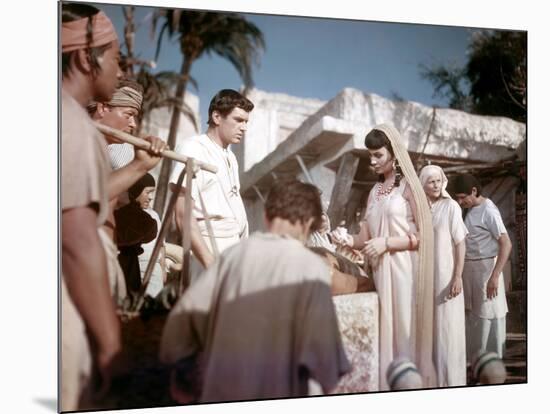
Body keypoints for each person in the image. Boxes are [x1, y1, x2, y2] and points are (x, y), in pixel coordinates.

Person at [159, 179, 350, 403]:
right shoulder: (311, 268)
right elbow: (326, 362)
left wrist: (184, 378)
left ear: (266, 216)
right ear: (308, 222)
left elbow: (181, 323)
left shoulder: (232, 257)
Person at [331, 124, 436, 390]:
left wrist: (387, 243)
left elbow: (427, 236)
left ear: (393, 153)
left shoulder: (410, 188)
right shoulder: (373, 193)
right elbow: (364, 237)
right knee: (384, 334)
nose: (373, 161)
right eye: (370, 156)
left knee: (404, 332)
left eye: (378, 154)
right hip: (380, 272)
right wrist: (346, 239)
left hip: (405, 272)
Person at [61, 3, 123, 410]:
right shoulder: (70, 124)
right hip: (66, 318)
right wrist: (110, 344)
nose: (119, 71)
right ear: (87, 58)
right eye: (116, 59)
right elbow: (77, 243)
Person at [169, 89, 253, 273]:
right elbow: (183, 213)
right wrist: (209, 262)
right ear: (216, 117)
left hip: (233, 250)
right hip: (207, 249)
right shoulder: (194, 148)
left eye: (246, 121)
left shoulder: (230, 156)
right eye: (238, 120)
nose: (244, 127)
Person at [451, 174, 512, 361]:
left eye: (463, 197)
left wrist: (495, 276)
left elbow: (506, 244)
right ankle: (472, 364)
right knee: (471, 318)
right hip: (469, 269)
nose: (460, 201)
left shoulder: (489, 210)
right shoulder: (467, 209)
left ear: (474, 191)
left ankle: (490, 365)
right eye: (458, 198)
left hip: (486, 269)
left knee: (487, 317)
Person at [419, 165, 468, 387]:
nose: (436, 184)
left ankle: (453, 383)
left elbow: (460, 243)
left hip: (447, 279)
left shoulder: (451, 207)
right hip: (426, 281)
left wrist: (457, 277)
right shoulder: (419, 210)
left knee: (448, 332)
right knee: (430, 333)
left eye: (439, 180)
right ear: (423, 184)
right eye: (431, 181)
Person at [114, 174, 159, 301]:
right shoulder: (122, 213)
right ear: (136, 189)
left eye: (152, 193)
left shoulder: (137, 214)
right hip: (120, 267)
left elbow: (151, 231)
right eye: (148, 192)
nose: (151, 197)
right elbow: (147, 229)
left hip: (130, 266)